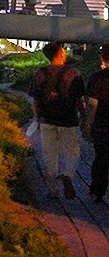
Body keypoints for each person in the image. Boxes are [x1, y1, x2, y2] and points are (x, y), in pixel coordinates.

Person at [28, 41, 86, 199]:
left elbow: (35, 101)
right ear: (60, 53)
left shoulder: (40, 73)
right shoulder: (73, 73)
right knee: (72, 151)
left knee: (49, 154)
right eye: (64, 50)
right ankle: (67, 175)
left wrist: (37, 117)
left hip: (47, 119)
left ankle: (53, 190)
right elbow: (80, 100)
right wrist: (84, 118)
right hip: (68, 119)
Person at [85, 44, 109, 204]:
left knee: (101, 158)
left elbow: (92, 103)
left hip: (102, 124)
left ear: (103, 58)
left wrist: (88, 123)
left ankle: (97, 191)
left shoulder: (96, 78)